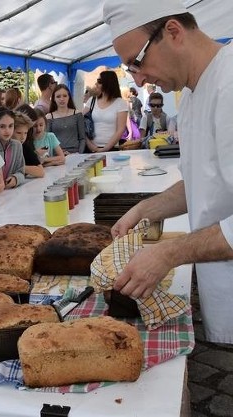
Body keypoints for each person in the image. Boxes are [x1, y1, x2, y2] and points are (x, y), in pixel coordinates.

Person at [105, 0, 233, 343]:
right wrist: (145, 208)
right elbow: (204, 183)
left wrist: (168, 253)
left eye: (137, 62)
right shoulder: (190, 92)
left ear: (173, 31)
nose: (140, 78)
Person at [84, 70, 129, 152]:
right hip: (90, 148)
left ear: (108, 83)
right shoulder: (91, 101)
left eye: (99, 81)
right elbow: (81, 123)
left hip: (111, 148)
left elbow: (121, 129)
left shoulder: (120, 103)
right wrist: (90, 146)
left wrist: (106, 148)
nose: (96, 84)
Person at [0, 107, 27, 189]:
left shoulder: (17, 145)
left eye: (11, 126)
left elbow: (21, 171)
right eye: (2, 126)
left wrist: (16, 179)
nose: (7, 131)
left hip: (9, 193)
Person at [46, 84, 86, 154]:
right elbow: (48, 141)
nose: (62, 99)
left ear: (69, 97)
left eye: (65, 96)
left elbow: (82, 138)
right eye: (58, 96)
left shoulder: (77, 114)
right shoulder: (49, 117)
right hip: (57, 156)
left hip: (76, 154)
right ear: (54, 99)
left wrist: (79, 154)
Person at [15, 104, 45, 178]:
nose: (23, 137)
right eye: (19, 133)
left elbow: (41, 171)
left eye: (25, 133)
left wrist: (19, 168)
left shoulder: (25, 146)